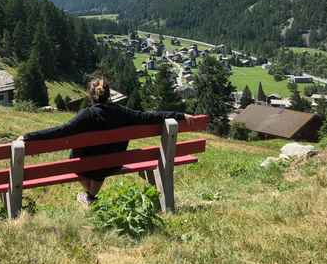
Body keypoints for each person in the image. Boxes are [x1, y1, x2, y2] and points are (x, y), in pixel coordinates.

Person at [21, 77, 199, 205]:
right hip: (112, 164)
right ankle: (91, 196)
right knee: (104, 158)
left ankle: (89, 196)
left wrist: (28, 137)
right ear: (109, 94)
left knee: (75, 159)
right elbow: (150, 116)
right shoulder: (124, 113)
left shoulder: (87, 115)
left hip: (88, 165)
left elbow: (62, 131)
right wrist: (180, 115)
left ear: (91, 95)